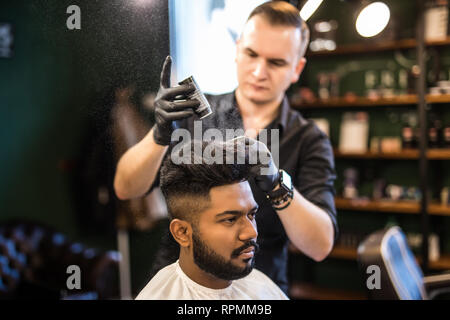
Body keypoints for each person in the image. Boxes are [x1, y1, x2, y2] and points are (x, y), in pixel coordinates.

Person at [115, 1, 337, 294]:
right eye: (251, 54)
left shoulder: (308, 140)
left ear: (297, 68)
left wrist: (275, 183)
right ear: (237, 49)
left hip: (259, 287)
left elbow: (320, 246)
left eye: (276, 62)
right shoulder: (196, 116)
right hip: (183, 286)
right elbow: (125, 188)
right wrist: (158, 135)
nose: (259, 71)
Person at [135, 139, 288, 300]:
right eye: (230, 220)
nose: (251, 232)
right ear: (182, 232)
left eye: (251, 214)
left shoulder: (260, 285)